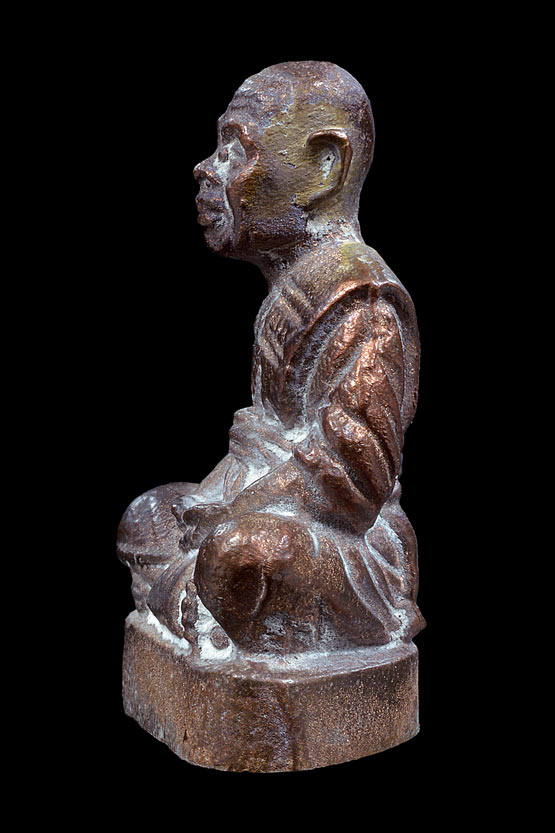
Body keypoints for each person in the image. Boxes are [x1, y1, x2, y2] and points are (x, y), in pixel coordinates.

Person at [118, 61, 425, 655]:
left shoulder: (361, 302)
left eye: (235, 150)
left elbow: (352, 479)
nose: (207, 170)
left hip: (350, 544)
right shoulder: (291, 292)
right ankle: (202, 605)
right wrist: (218, 501)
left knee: (244, 555)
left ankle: (208, 607)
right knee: (149, 516)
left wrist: (235, 510)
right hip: (262, 497)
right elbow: (263, 441)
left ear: (325, 168)